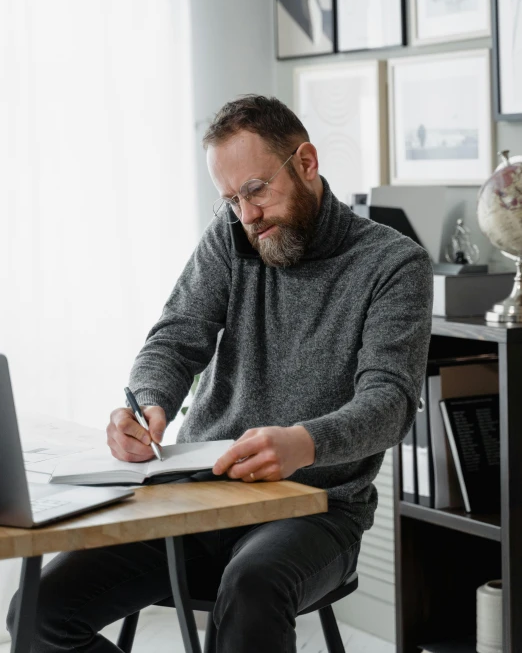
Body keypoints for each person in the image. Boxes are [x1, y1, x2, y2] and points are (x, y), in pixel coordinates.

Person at [7, 95, 433, 653]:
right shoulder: (232, 236)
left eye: (256, 191)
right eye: (231, 200)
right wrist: (147, 404)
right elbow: (176, 336)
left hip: (319, 508)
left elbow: (390, 403)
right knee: (39, 611)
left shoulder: (394, 264)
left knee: (252, 586)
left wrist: (303, 443)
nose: (247, 215)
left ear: (306, 163)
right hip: (200, 492)